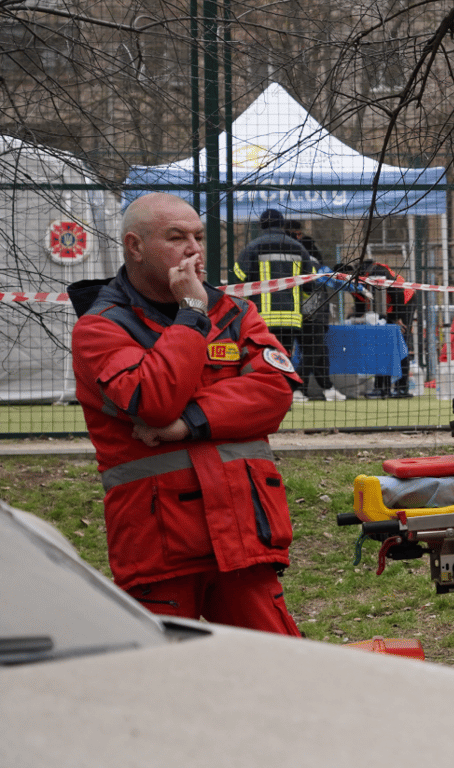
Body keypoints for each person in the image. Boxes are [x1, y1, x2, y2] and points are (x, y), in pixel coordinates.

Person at [66, 192, 303, 636]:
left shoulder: (235, 312)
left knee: (276, 672)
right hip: (159, 545)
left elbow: (274, 391)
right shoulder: (99, 329)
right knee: (160, 685)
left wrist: (187, 423)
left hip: (243, 537)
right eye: (176, 238)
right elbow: (153, 401)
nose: (194, 250)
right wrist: (191, 314)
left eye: (198, 236)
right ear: (135, 247)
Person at [231, 208, 314, 404]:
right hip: (291, 318)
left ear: (261, 225)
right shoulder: (299, 248)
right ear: (282, 224)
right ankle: (286, 396)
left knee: (263, 359)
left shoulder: (253, 247)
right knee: (284, 358)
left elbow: (237, 281)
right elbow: (309, 286)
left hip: (262, 318)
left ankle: (264, 398)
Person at [285, 219, 348, 402]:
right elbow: (331, 281)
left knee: (318, 351)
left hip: (303, 312)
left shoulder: (295, 258)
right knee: (315, 350)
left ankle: (327, 387)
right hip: (313, 313)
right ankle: (296, 387)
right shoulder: (312, 262)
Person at [353, 258, 416, 398]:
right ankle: (381, 387)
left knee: (401, 343)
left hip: (404, 302)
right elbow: (360, 305)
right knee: (381, 345)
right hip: (386, 308)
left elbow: (398, 292)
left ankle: (401, 388)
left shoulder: (378, 271)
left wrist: (398, 317)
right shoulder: (354, 284)